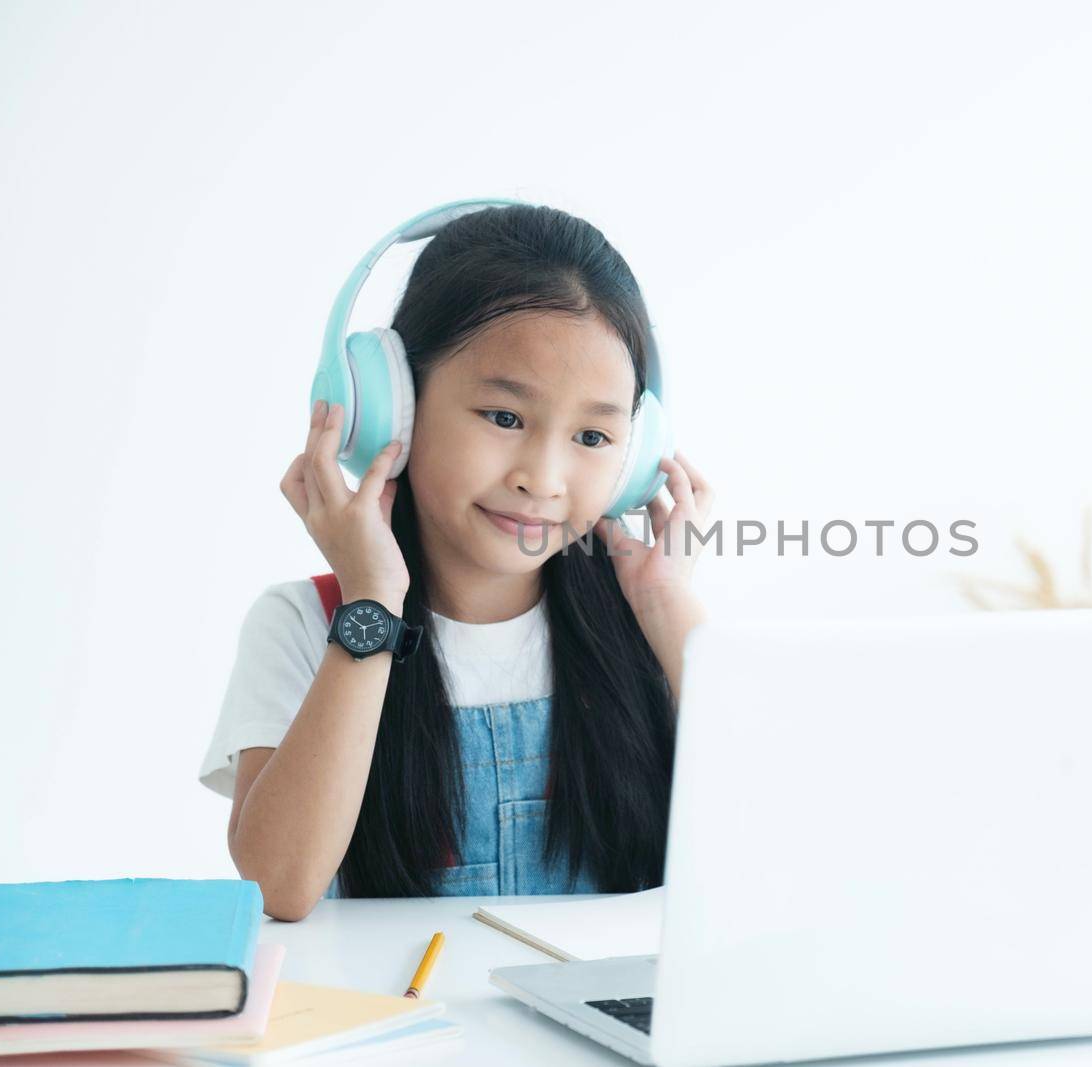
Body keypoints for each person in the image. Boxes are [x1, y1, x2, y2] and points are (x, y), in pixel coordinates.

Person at [197, 203, 714, 921]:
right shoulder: (305, 623)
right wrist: (371, 604)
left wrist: (667, 607)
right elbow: (281, 885)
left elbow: (790, 850)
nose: (544, 476)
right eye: (505, 418)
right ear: (394, 410)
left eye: (593, 436)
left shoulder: (648, 625)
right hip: (406, 1025)